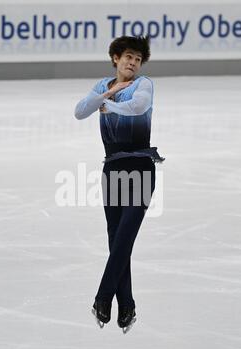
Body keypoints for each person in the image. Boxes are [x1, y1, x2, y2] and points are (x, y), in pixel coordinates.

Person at [74, 35, 165, 333]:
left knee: (125, 236)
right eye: (128, 57)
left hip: (140, 168)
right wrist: (109, 94)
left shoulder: (144, 85)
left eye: (138, 59)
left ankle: (103, 299)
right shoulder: (103, 86)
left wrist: (111, 107)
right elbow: (80, 111)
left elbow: (139, 108)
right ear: (116, 58)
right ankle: (127, 305)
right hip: (112, 169)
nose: (133, 63)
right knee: (116, 239)